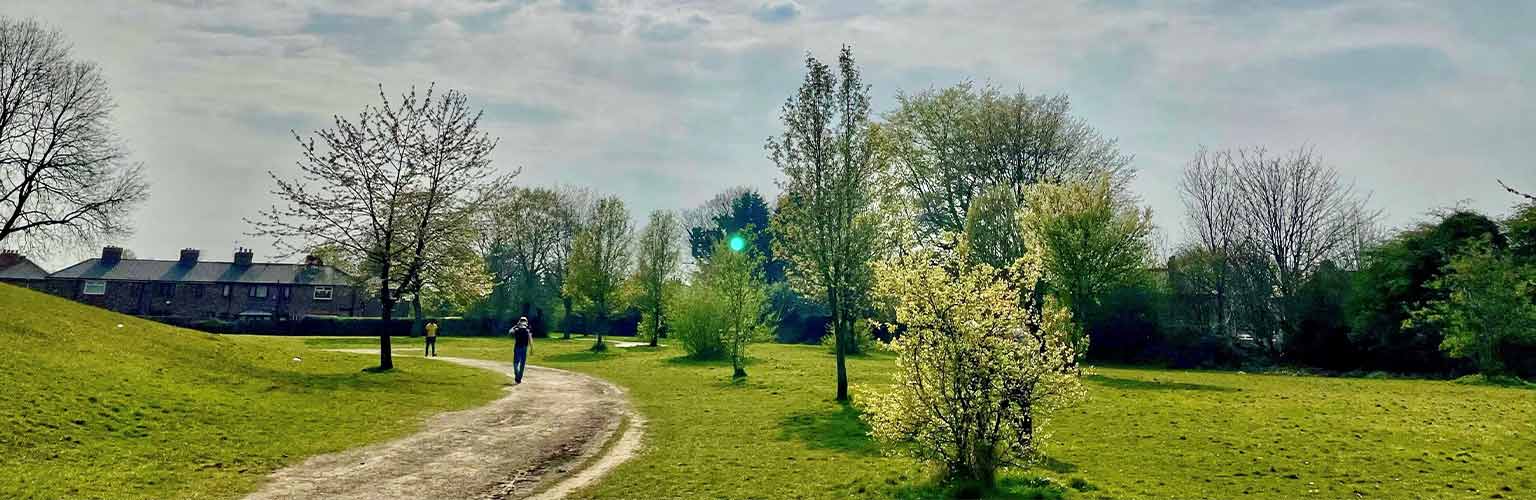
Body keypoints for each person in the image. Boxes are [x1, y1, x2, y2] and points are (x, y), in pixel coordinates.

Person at [510, 316, 533, 383]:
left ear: (520, 321)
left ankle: (517, 376)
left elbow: (510, 331)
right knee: (522, 364)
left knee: (515, 363)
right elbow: (530, 339)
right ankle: (519, 378)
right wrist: (531, 348)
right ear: (526, 322)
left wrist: (516, 325)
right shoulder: (528, 329)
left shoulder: (516, 329)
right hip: (524, 348)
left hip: (517, 347)